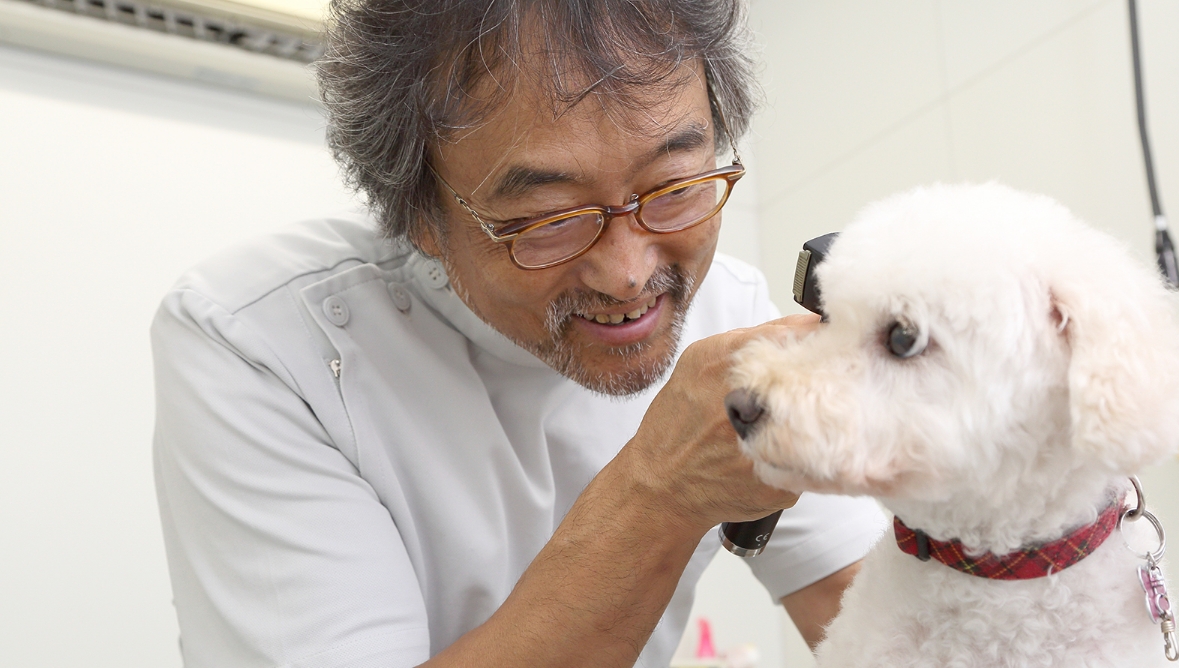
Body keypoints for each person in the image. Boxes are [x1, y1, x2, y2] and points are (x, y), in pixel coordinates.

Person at [149, 0, 886, 666]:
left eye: (673, 189)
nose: (628, 274)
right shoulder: (258, 345)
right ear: (419, 217)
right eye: (551, 221)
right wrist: (659, 491)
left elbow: (873, 629)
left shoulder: (732, 316)